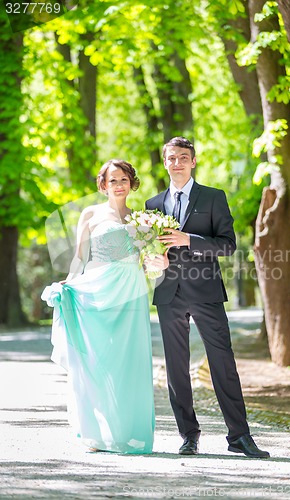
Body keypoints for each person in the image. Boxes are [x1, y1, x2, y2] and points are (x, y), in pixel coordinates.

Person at [146, 137, 270, 458]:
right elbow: (149, 251)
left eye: (183, 157)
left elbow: (228, 245)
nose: (177, 163)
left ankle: (239, 436)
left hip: (206, 291)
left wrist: (189, 239)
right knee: (176, 369)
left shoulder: (214, 198)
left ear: (193, 161)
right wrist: (153, 260)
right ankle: (188, 435)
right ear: (165, 162)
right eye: (171, 158)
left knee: (223, 363)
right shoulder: (152, 205)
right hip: (168, 293)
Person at [42, 159, 167, 454]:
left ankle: (126, 433)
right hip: (98, 290)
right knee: (98, 358)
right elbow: (79, 257)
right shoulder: (90, 214)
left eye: (124, 179)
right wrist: (68, 282)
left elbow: (152, 264)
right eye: (113, 180)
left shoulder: (143, 219)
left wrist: (159, 264)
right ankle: (95, 432)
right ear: (103, 184)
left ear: (131, 183)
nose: (119, 185)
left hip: (131, 291)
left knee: (129, 362)